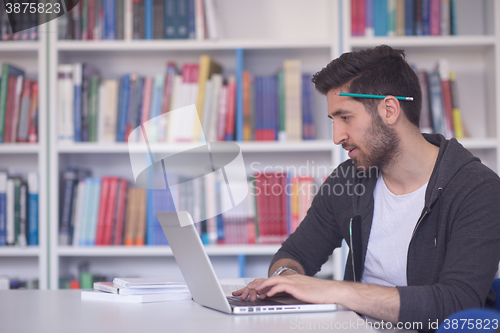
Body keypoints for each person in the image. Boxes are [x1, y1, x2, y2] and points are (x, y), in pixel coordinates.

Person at [233, 45, 500, 330]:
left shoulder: (478, 190)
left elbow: (458, 305)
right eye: (333, 120)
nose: (337, 137)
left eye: (345, 117)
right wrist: (286, 279)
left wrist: (335, 291)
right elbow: (296, 253)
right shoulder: (348, 180)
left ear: (389, 109)